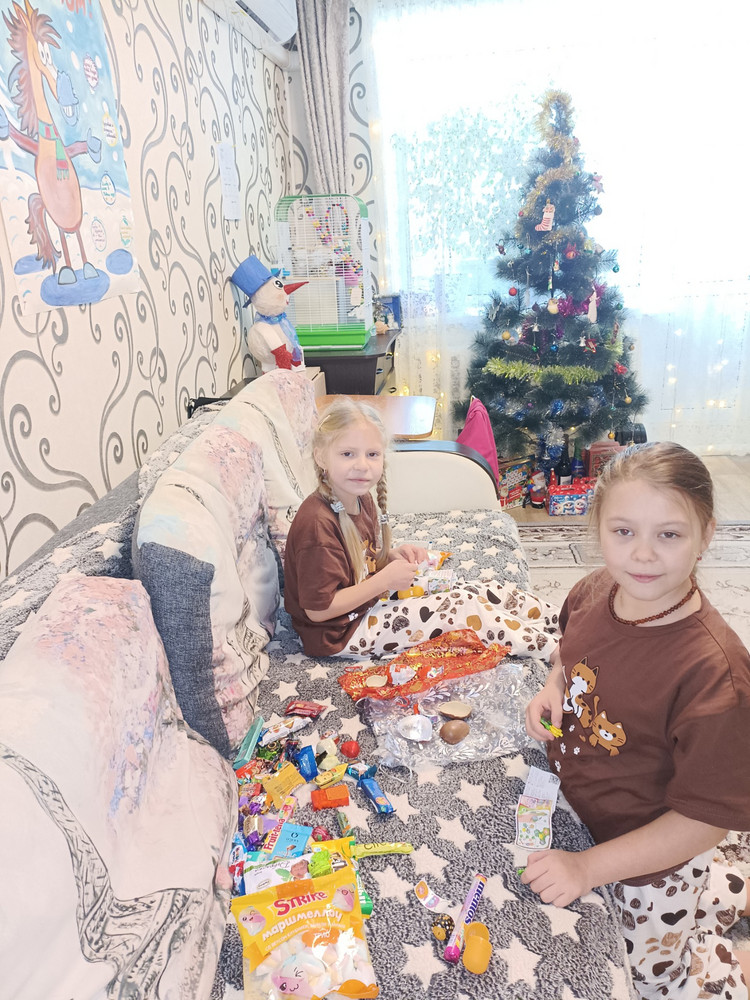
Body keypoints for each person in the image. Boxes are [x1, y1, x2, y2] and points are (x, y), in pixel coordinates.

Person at [523, 441, 750, 999]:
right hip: (578, 805)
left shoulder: (715, 676)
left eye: (669, 534)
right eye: (623, 531)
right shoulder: (596, 589)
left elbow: (704, 823)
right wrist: (553, 687)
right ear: (597, 528)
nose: (643, 555)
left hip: (649, 859)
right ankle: (727, 888)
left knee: (653, 984)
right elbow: (568, 652)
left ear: (706, 536)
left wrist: (586, 869)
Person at [282, 395, 559, 659]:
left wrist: (389, 557)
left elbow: (359, 564)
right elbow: (318, 611)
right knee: (461, 606)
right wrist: (384, 580)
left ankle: (561, 622)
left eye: (372, 454)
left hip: (366, 603)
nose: (362, 465)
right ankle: (553, 650)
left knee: (477, 589)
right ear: (321, 457)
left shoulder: (360, 498)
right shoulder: (317, 524)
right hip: (340, 633)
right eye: (347, 454)